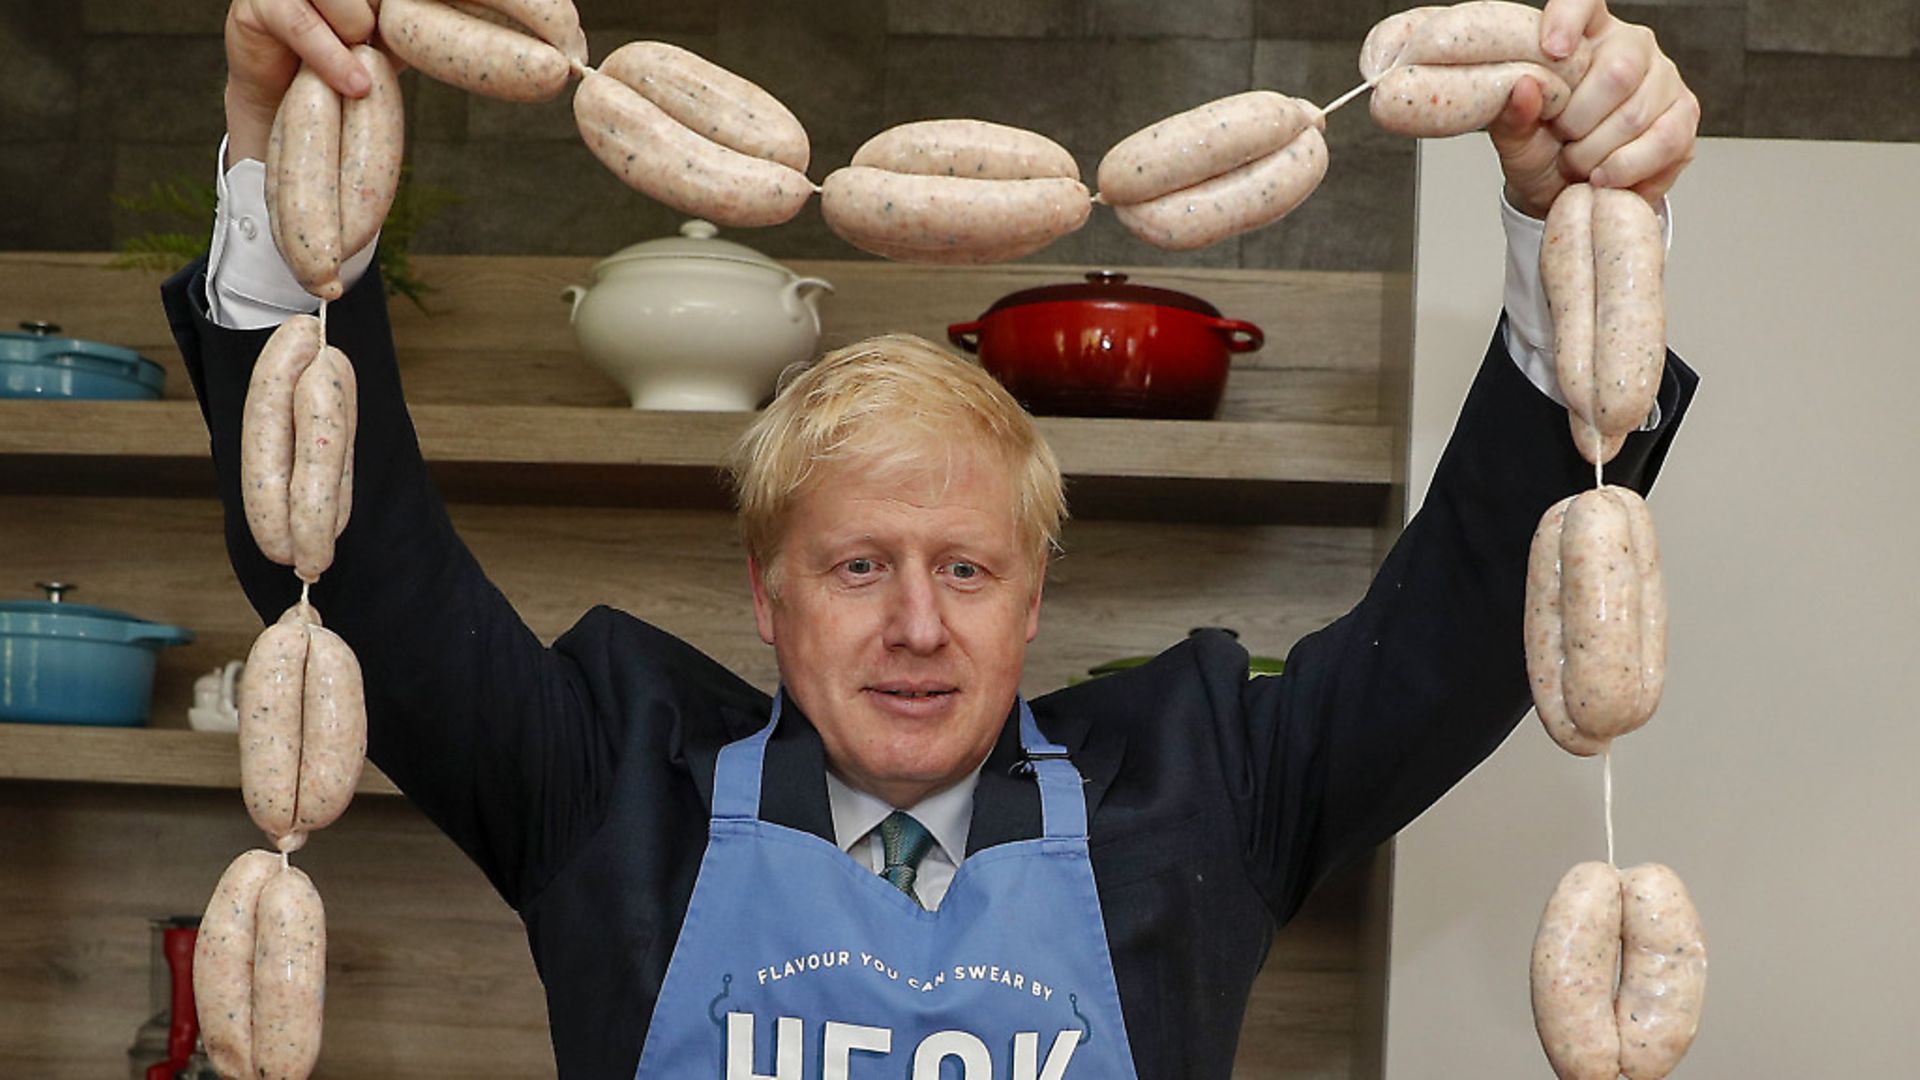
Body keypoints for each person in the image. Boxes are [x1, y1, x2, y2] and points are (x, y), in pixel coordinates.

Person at [165, 1, 1701, 1076]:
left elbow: (1466, 622)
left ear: (1033, 602)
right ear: (767, 600)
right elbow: (345, 560)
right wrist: (293, 158)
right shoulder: (605, 784)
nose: (917, 623)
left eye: (966, 568)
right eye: (856, 566)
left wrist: (1564, 220)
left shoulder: (1210, 789)